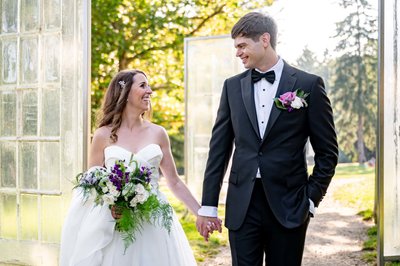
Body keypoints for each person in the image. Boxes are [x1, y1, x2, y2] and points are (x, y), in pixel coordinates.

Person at [196, 12, 338, 266]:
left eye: (242, 45)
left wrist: (310, 198)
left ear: (264, 39)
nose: (237, 53)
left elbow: (328, 152)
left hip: (289, 205)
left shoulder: (309, 84)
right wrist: (208, 205)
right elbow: (219, 150)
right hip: (243, 204)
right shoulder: (231, 87)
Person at [60, 69, 201, 266]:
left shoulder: (158, 133)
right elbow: (92, 185)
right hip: (117, 223)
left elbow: (175, 182)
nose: (150, 91)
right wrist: (111, 206)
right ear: (124, 93)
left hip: (155, 219)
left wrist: (201, 213)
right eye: (143, 85)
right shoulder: (102, 135)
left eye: (149, 85)